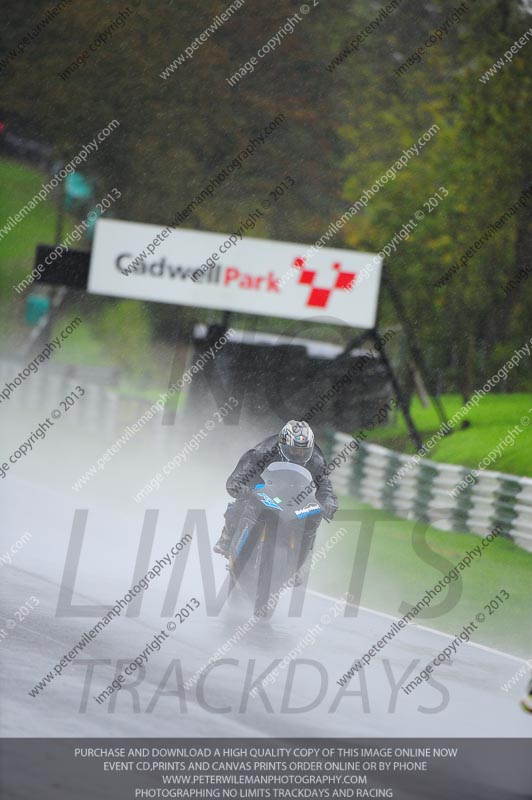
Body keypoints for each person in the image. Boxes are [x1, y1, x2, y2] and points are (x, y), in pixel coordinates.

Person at [213, 420, 338, 576]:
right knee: (241, 503)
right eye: (293, 450)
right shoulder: (262, 452)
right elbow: (237, 478)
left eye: (302, 451)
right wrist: (243, 489)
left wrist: (329, 502)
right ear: (283, 444)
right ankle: (227, 537)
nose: (298, 454)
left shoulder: (317, 461)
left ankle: (299, 563)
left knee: (313, 518)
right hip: (262, 487)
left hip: (297, 496)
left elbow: (325, 488)